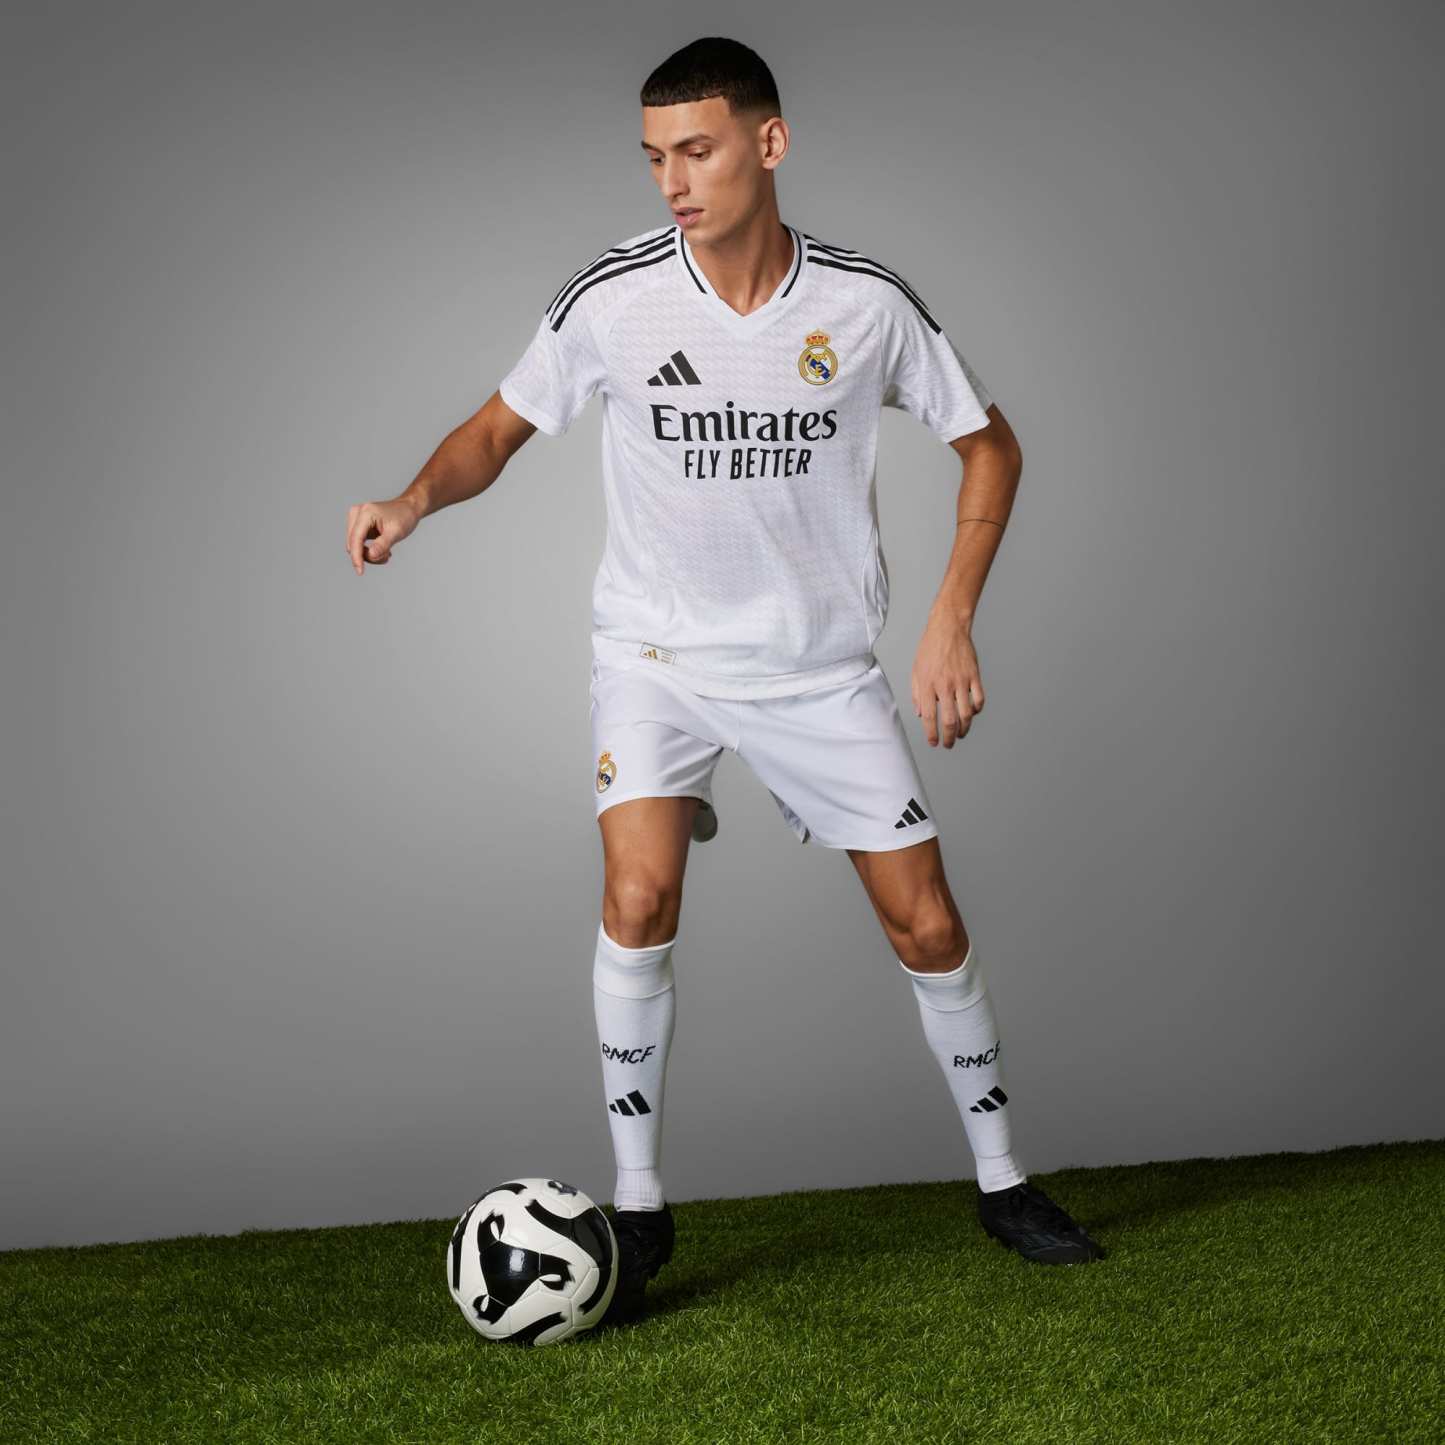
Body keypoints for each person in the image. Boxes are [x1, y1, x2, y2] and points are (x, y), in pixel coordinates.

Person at [345, 35, 1105, 1326]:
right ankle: (639, 1207)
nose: (672, 182)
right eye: (654, 158)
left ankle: (1001, 1179)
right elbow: (495, 429)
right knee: (637, 897)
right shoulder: (616, 297)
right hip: (657, 658)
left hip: (818, 671)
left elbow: (993, 447)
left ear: (770, 141)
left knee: (926, 925)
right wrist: (414, 498)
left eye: (695, 151)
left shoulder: (864, 303)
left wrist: (949, 621)